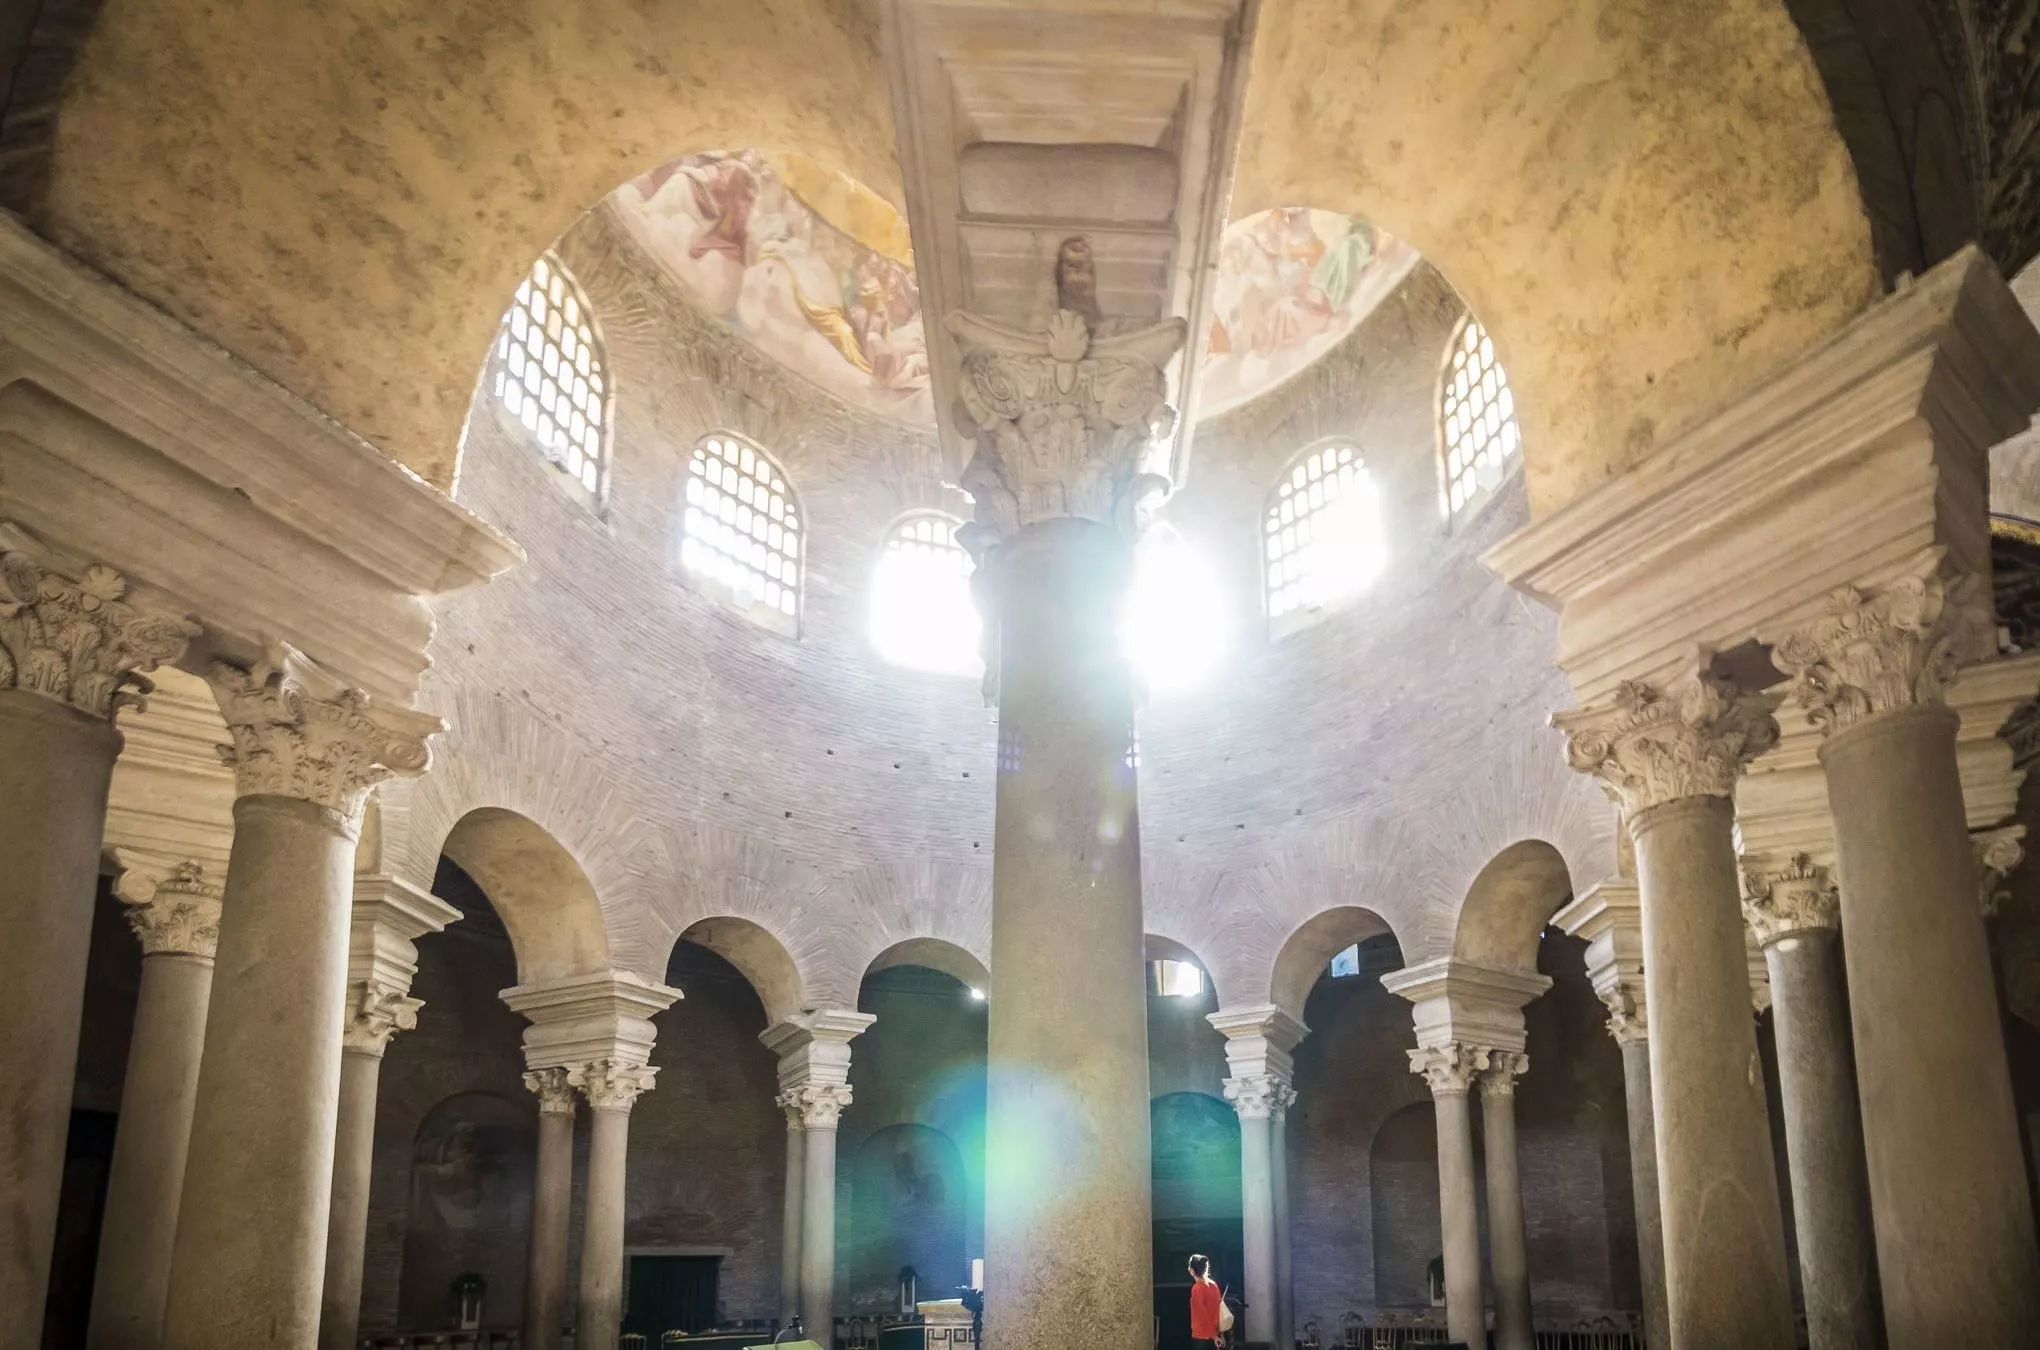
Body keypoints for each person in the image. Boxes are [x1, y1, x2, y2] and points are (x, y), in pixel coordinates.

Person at [1188, 1253, 1224, 1349]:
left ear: (1192, 1271)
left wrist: (1213, 1335)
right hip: (1216, 1334)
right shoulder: (1214, 1285)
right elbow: (1220, 1310)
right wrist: (1218, 1334)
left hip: (1202, 1336)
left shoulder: (1197, 1288)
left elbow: (1202, 1314)